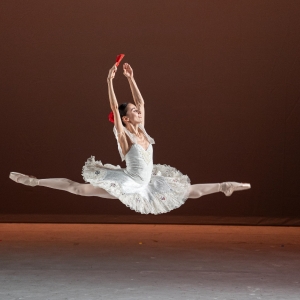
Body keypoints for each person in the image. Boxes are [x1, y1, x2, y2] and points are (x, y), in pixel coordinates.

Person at [9, 62, 251, 215]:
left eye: (136, 110)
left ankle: (224, 186)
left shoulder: (143, 130)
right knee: (79, 189)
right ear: (125, 120)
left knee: (190, 192)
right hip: (128, 183)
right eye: (133, 111)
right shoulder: (124, 137)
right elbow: (115, 108)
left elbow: (143, 102)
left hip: (147, 183)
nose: (137, 111)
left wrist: (130, 78)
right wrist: (109, 81)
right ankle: (36, 181)